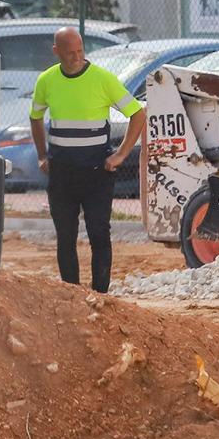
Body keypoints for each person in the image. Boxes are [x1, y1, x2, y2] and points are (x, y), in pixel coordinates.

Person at [29, 26, 145, 293]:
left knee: (99, 234)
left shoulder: (103, 79)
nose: (76, 57)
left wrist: (121, 154)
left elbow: (137, 114)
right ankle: (72, 294)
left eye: (80, 50)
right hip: (62, 172)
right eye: (69, 52)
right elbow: (35, 117)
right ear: (56, 51)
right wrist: (41, 156)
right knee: (65, 237)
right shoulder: (46, 81)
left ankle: (100, 294)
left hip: (96, 171)